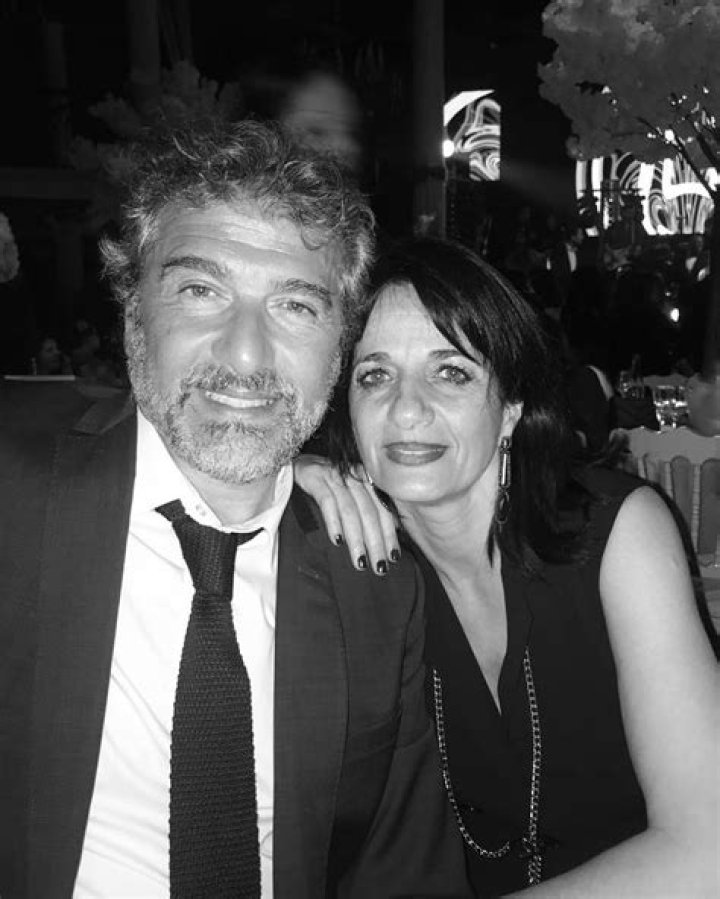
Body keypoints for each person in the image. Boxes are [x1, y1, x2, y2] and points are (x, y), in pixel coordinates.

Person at [0, 123, 471, 899]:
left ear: (339, 347)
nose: (246, 354)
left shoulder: (377, 588)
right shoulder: (16, 499)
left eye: (296, 305)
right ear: (133, 316)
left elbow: (402, 870)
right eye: (201, 291)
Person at [295, 237, 719, 897]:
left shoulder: (617, 533)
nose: (406, 408)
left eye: (450, 372)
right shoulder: (359, 566)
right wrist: (285, 473)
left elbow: (708, 850)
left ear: (511, 407)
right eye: (374, 375)